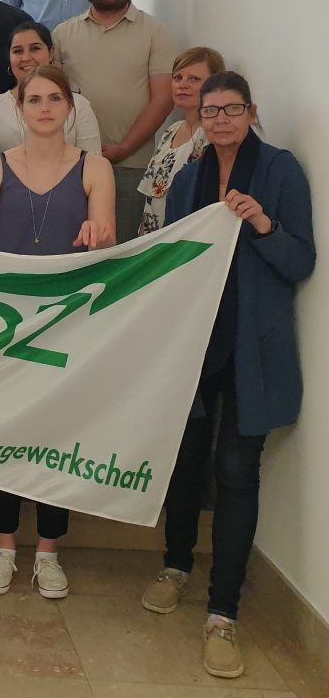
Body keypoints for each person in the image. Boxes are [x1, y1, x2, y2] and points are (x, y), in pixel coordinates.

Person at [140, 71, 315, 680]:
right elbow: (174, 258)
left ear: (251, 112)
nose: (220, 120)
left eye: (231, 110)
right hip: (195, 345)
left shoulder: (281, 170)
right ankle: (176, 565)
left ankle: (223, 611)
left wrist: (263, 224)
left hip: (251, 347)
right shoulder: (190, 177)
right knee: (185, 461)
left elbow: (301, 259)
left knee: (237, 471)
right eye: (211, 111)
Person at [0, 65, 115, 601]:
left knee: (57, 435)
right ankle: (4, 546)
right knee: (6, 435)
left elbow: (107, 248)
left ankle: (48, 552)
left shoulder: (96, 167)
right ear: (20, 107)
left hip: (69, 324)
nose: (45, 107)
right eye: (35, 99)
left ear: (70, 108)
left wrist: (99, 236)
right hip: (6, 323)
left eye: (55, 98)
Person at [53, 0, 175, 243]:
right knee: (70, 248)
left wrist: (124, 148)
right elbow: (51, 98)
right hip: (71, 165)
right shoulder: (62, 34)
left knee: (119, 250)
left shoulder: (156, 32)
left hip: (131, 166)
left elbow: (163, 99)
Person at [0, 21, 101, 153]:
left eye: (35, 49)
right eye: (17, 51)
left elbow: (91, 159)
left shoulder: (78, 105)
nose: (26, 58)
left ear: (51, 53)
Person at [138, 46, 226, 233]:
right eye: (177, 78)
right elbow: (151, 202)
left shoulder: (213, 136)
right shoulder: (171, 130)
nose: (182, 85)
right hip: (154, 239)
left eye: (194, 79)